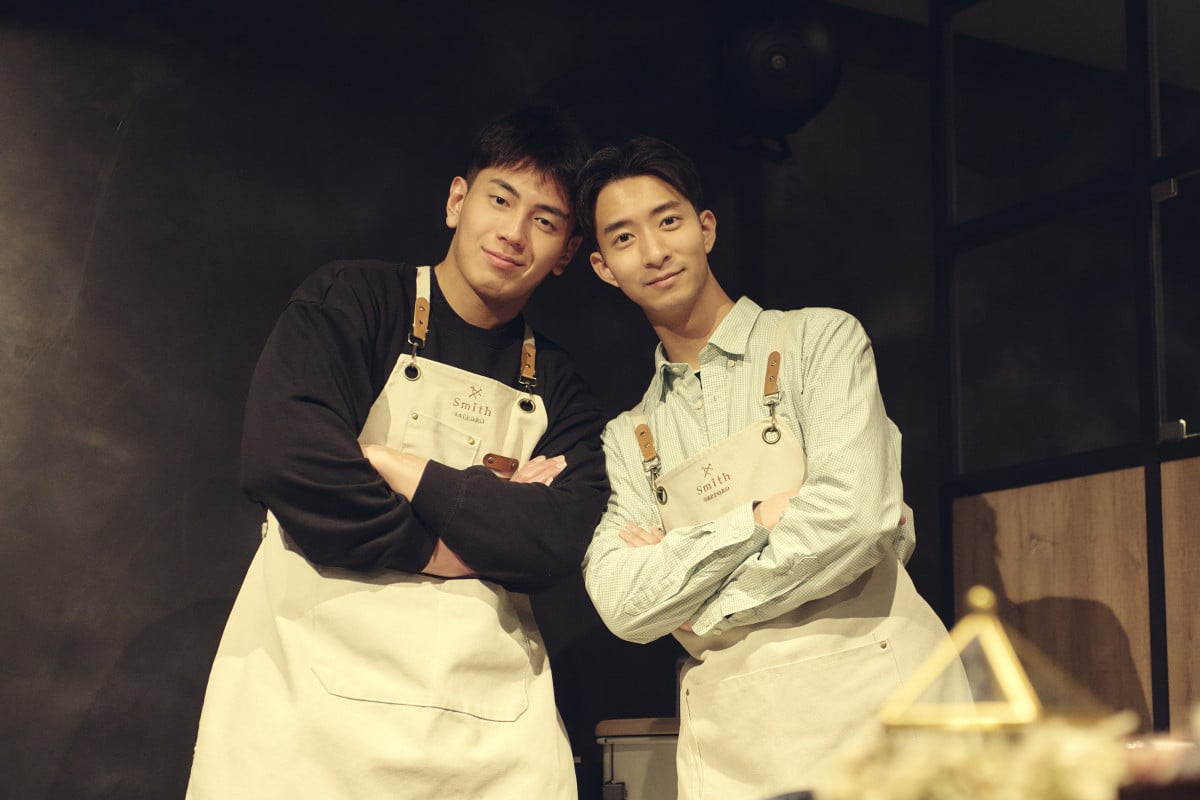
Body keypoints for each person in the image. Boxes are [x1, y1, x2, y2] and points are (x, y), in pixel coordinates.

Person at [186, 107, 609, 800]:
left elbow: (556, 540)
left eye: (545, 220)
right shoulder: (352, 302)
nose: (514, 232)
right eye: (500, 199)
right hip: (308, 720)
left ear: (566, 252)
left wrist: (390, 464)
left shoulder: (561, 387)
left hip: (486, 739)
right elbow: (287, 460)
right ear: (457, 200)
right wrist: (450, 543)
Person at [577, 137, 963, 800]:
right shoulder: (627, 435)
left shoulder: (820, 340)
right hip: (739, 743)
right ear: (604, 267)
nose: (654, 251)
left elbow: (854, 517)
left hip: (884, 705)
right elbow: (621, 601)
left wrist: (699, 609)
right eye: (623, 238)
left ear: (706, 228)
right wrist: (757, 518)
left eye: (668, 221)